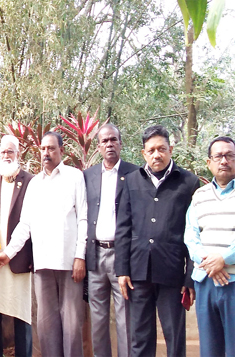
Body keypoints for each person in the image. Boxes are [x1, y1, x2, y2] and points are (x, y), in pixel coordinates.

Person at [0, 131, 87, 357]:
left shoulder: (75, 177)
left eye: (51, 148)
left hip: (69, 264)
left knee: (72, 325)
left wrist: (80, 256)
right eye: (43, 149)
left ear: (61, 151)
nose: (46, 153)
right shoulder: (34, 184)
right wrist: (8, 253)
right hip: (43, 265)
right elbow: (25, 224)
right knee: (47, 326)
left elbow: (83, 219)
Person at [115, 125, 199, 357]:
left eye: (161, 149)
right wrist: (122, 270)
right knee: (140, 338)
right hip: (138, 273)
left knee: (174, 335)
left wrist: (189, 276)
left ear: (171, 149)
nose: (156, 155)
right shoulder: (131, 181)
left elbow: (193, 234)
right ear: (143, 153)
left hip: (172, 273)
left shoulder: (188, 183)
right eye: (151, 150)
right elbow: (123, 228)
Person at [83, 124, 136, 357]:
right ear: (98, 147)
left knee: (126, 319)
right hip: (95, 257)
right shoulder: (88, 176)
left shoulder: (135, 174)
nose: (109, 144)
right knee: (98, 319)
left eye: (114, 140)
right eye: (104, 141)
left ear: (121, 143)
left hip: (122, 257)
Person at [184, 136, 235, 357]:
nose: (224, 160)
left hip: (233, 282)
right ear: (209, 162)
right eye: (218, 156)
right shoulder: (199, 196)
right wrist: (209, 262)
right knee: (210, 349)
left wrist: (224, 258)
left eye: (230, 155)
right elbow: (190, 235)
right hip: (206, 282)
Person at [0, 135, 35, 357]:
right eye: (3, 152)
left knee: (21, 314)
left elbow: (28, 222)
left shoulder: (31, 180)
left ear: (18, 154)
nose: (6, 155)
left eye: (10, 151)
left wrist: (9, 252)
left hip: (17, 258)